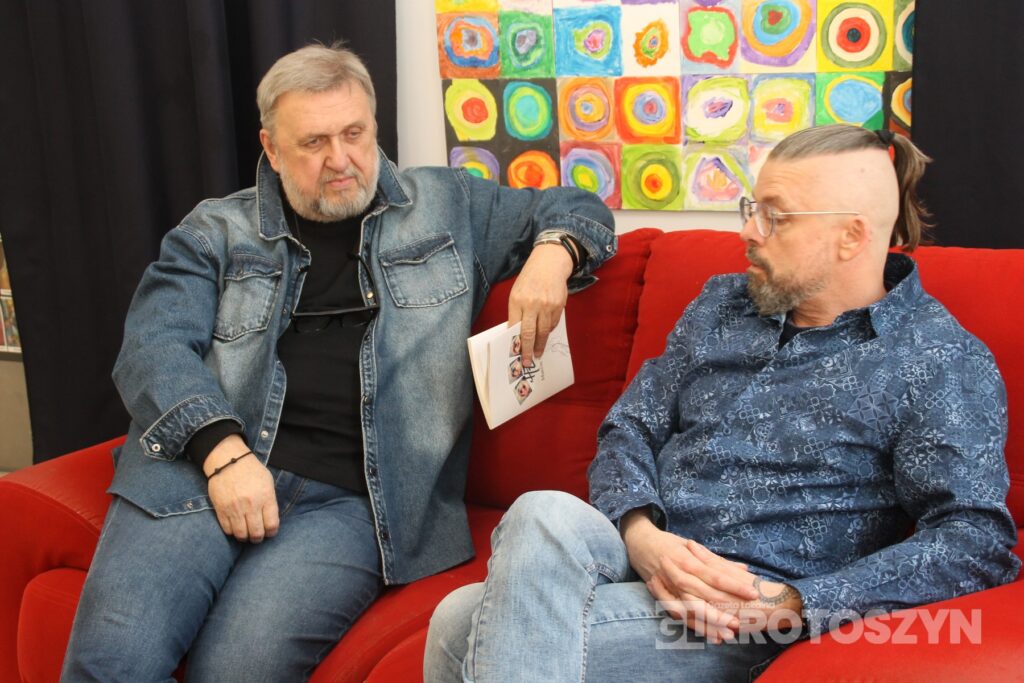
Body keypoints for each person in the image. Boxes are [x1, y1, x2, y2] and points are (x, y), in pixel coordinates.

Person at [61, 43, 616, 682]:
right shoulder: (215, 232)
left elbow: (579, 205)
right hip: (202, 470)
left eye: (354, 134)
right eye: (314, 142)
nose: (341, 159)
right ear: (271, 149)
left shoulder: (448, 207)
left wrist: (553, 254)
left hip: (355, 505)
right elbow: (152, 347)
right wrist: (224, 454)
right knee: (113, 662)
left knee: (238, 671)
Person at [425, 124, 1020, 682]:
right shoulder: (723, 304)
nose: (748, 232)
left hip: (733, 608)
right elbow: (630, 426)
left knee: (457, 629)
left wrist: (792, 604)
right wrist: (641, 535)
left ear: (852, 236)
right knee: (540, 512)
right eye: (751, 208)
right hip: (644, 554)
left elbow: (975, 538)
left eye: (775, 217)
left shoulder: (936, 359)